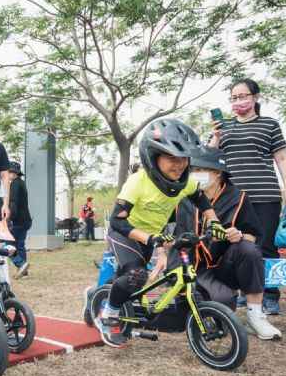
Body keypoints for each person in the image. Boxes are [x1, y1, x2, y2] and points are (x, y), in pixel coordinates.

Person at [95, 118, 228, 348]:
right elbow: (117, 223)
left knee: (126, 279)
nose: (179, 165)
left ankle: (98, 295)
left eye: (184, 159)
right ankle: (109, 314)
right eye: (172, 158)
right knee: (136, 275)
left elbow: (201, 199)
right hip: (127, 235)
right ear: (153, 157)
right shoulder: (137, 183)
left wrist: (215, 223)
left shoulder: (183, 182)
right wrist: (151, 239)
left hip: (152, 237)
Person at [173, 147, 281, 339]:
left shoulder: (238, 198)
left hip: (222, 266)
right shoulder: (182, 196)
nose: (193, 175)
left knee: (249, 250)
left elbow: (251, 235)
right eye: (192, 170)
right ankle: (202, 301)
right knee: (219, 307)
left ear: (216, 173)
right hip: (189, 266)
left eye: (199, 170)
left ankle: (255, 318)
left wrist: (238, 235)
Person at [209, 78, 286, 315]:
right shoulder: (225, 126)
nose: (239, 102)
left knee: (266, 246)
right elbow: (209, 159)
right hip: (232, 199)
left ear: (256, 97)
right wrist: (215, 136)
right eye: (234, 98)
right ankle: (238, 293)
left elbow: (282, 158)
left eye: (243, 96)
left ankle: (269, 296)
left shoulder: (269, 124)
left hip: (264, 194)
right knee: (234, 246)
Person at [7, 161, 32, 279]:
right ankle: (24, 272)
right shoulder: (22, 183)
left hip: (17, 221)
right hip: (26, 220)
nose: (8, 173)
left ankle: (21, 264)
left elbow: (13, 203)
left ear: (15, 173)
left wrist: (9, 219)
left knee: (7, 245)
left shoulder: (14, 185)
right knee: (20, 245)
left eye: (10, 171)